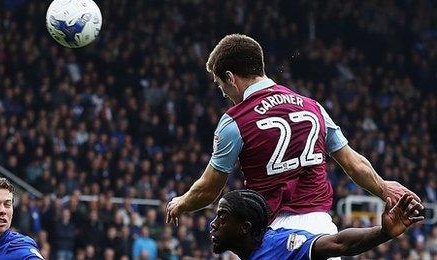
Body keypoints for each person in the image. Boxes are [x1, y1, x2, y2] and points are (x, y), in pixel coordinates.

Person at [166, 34, 420, 236]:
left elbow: (209, 189)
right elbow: (354, 164)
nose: (225, 95)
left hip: (273, 236)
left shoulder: (234, 121)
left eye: (222, 87)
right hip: (322, 232)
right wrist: (384, 187)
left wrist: (182, 203)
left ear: (231, 77)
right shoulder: (313, 107)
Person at [210, 190, 424, 259]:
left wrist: (384, 233)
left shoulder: (281, 244)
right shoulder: (250, 251)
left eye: (222, 217)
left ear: (244, 227)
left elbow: (339, 243)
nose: (213, 224)